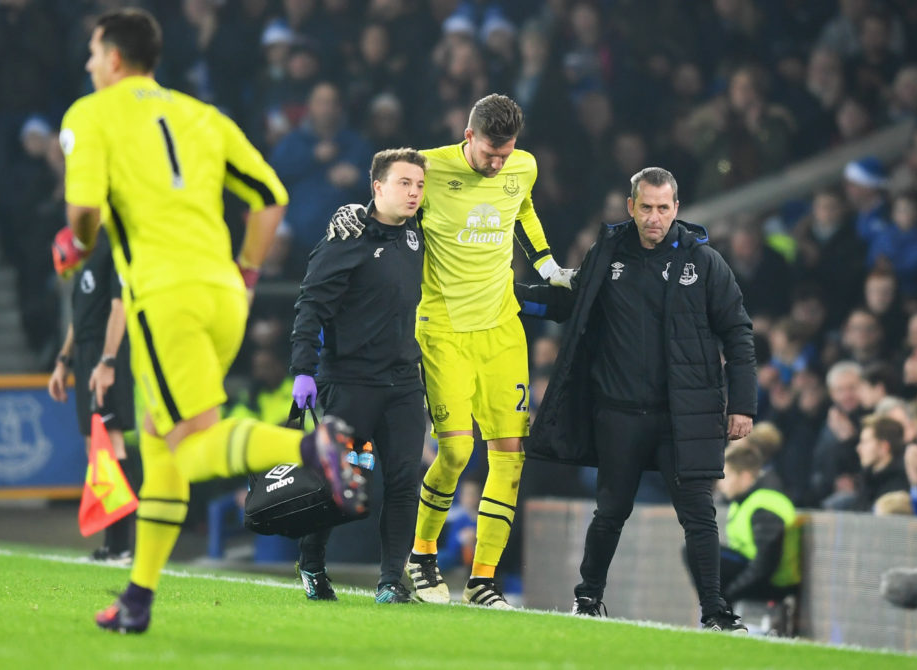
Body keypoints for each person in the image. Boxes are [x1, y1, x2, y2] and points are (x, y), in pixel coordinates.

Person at [52, 8, 365, 634]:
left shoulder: (91, 114)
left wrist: (74, 244)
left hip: (164, 298)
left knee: (191, 443)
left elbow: (83, 211)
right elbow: (271, 197)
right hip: (222, 290)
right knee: (162, 446)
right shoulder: (201, 114)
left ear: (113, 58)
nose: (89, 64)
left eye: (93, 54)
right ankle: (137, 600)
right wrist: (247, 273)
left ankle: (314, 445)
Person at [326, 93, 574, 608]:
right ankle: (421, 556)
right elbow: (388, 190)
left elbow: (523, 209)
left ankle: (483, 580)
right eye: (489, 153)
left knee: (510, 457)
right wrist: (353, 211)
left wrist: (548, 265)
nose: (498, 163)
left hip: (503, 330)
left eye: (505, 154)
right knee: (458, 451)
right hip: (443, 330)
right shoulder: (429, 168)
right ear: (468, 137)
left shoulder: (522, 167)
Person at [516, 167, 757, 632]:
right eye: (645, 207)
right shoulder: (607, 253)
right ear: (630, 207)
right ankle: (587, 599)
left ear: (676, 209)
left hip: (682, 415)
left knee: (699, 516)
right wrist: (509, 294)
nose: (654, 218)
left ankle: (715, 611)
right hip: (619, 412)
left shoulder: (704, 262)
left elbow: (738, 332)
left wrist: (742, 404)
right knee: (610, 511)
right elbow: (571, 305)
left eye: (663, 208)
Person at [289, 147, 428, 605]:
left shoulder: (418, 234)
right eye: (404, 183)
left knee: (406, 480)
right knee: (340, 482)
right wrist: (303, 370)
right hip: (349, 381)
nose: (414, 193)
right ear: (377, 187)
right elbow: (310, 305)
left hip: (404, 382)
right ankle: (311, 563)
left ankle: (391, 581)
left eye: (419, 185)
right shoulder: (344, 238)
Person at [48, 228, 135, 564]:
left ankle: (122, 546)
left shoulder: (112, 249)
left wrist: (108, 361)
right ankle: (110, 545)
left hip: (104, 353)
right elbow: (78, 320)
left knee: (111, 445)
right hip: (85, 356)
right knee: (93, 448)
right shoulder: (86, 260)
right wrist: (63, 361)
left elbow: (119, 308)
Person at [717, 443, 801, 636]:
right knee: (702, 551)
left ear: (745, 476)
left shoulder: (765, 505)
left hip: (773, 581)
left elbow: (766, 563)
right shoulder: (745, 501)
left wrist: (730, 593)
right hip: (753, 570)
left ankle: (718, 614)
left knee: (699, 553)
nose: (721, 482)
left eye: (726, 475)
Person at [851, 415, 909, 512]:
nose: (858, 448)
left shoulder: (898, 486)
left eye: (865, 442)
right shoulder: (867, 480)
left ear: (883, 447)